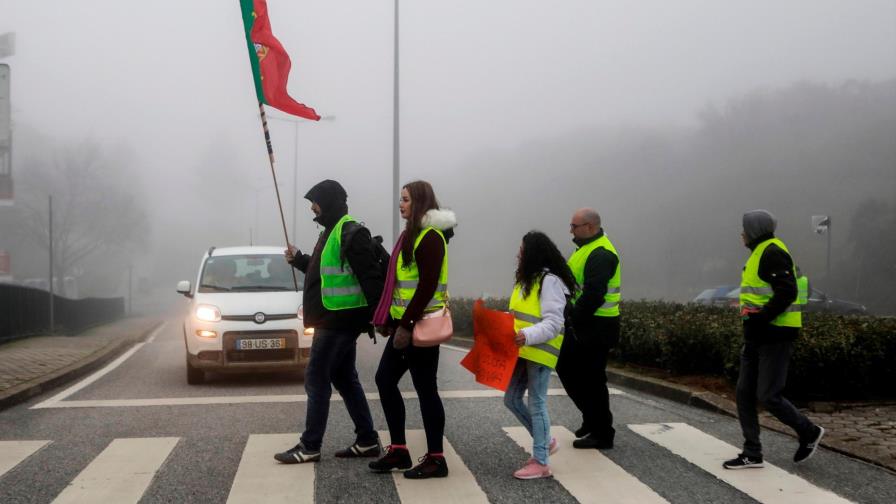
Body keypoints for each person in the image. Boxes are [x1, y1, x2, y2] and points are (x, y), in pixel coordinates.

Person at [274, 179, 384, 464]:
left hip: (339, 320)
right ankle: (367, 440)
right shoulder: (331, 232)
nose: (312, 208)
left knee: (316, 377)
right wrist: (299, 259)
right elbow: (323, 270)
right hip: (334, 318)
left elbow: (370, 277)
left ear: (329, 202)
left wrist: (380, 317)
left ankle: (310, 446)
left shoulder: (350, 232)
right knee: (344, 378)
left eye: (316, 202)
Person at [368, 180, 457, 479]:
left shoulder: (430, 237)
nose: (401, 204)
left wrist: (405, 325)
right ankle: (399, 450)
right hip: (404, 325)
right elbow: (401, 285)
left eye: (405, 199)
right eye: (400, 199)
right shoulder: (411, 235)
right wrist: (391, 320)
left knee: (426, 389)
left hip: (421, 327)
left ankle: (436, 459)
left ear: (420, 201)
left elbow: (427, 286)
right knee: (384, 380)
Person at [724, 209, 824, 469]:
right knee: (744, 393)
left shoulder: (772, 252)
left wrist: (761, 318)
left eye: (745, 228)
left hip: (775, 335)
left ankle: (809, 431)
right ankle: (752, 452)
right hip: (756, 335)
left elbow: (787, 292)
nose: (741, 233)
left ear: (754, 230)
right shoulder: (759, 252)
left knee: (768, 395)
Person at [503, 231, 577, 480]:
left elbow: (554, 323)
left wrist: (526, 335)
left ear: (532, 253)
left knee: (537, 404)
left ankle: (541, 461)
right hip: (523, 350)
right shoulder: (526, 281)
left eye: (522, 250)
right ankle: (546, 441)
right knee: (511, 399)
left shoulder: (549, 281)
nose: (518, 254)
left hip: (540, 352)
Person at [557, 208, 620, 450]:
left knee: (592, 380)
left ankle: (603, 433)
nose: (570, 230)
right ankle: (592, 419)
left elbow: (594, 294)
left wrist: (572, 318)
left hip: (596, 326)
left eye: (574, 226)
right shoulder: (585, 249)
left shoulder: (601, 253)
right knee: (568, 369)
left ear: (590, 227)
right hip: (586, 324)